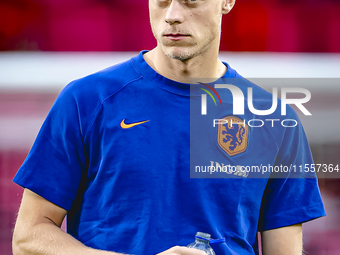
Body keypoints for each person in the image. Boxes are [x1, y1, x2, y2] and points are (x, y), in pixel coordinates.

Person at [12, 0, 326, 254]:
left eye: (191, 1)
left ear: (227, 2)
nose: (173, 15)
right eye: (162, 1)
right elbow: (29, 237)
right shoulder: (87, 100)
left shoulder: (273, 119)